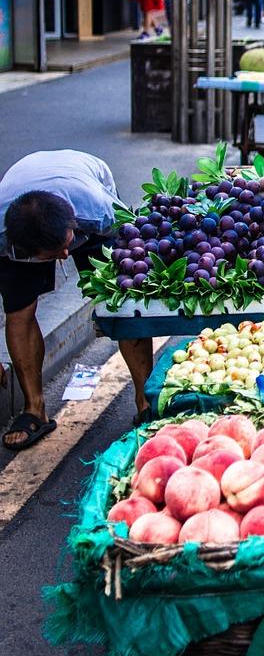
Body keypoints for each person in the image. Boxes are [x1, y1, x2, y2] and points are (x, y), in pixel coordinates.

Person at [0, 151, 154, 451]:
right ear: (26, 251)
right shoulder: (4, 236)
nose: (65, 258)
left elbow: (137, 251)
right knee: (19, 309)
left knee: (123, 300)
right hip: (23, 202)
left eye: (67, 245)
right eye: (54, 255)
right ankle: (34, 408)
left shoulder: (100, 212)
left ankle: (144, 400)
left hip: (85, 176)